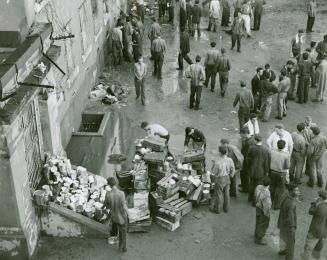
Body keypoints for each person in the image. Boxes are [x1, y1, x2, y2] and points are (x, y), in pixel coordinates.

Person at [246, 134, 271, 205]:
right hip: (261, 171)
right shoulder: (266, 149)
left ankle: (250, 198)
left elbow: (248, 159)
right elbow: (266, 162)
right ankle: (255, 201)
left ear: (255, 140)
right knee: (258, 187)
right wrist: (267, 171)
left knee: (251, 184)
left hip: (252, 169)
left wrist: (248, 167)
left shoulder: (251, 148)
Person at [105, 177, 128, 252]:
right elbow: (124, 207)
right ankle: (122, 247)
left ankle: (114, 238)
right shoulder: (121, 193)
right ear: (116, 183)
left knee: (115, 227)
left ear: (109, 185)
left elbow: (107, 206)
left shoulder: (108, 194)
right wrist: (128, 215)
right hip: (121, 216)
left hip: (114, 216)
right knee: (123, 232)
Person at [210, 146, 235, 214]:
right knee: (227, 194)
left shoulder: (217, 163)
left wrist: (212, 179)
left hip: (219, 179)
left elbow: (214, 173)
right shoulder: (230, 160)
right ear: (226, 152)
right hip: (227, 178)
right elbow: (233, 169)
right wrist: (230, 176)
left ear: (220, 153)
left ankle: (217, 209)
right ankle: (226, 208)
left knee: (218, 194)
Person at [302, 190, 327, 260]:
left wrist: (315, 203)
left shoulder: (320, 207)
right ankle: (316, 258)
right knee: (318, 248)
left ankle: (305, 258)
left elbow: (310, 211)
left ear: (321, 198)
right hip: (324, 232)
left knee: (308, 247)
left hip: (315, 231)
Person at [277, 183, 299, 260]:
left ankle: (283, 250)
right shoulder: (291, 203)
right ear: (291, 191)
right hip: (289, 225)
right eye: (296, 190)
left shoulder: (285, 196)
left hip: (282, 222)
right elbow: (290, 218)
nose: (298, 192)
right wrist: (293, 227)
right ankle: (289, 257)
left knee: (283, 237)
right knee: (291, 242)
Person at [270, 140, 290, 210]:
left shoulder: (272, 152)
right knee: (280, 189)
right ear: (284, 146)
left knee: (272, 187)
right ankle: (276, 205)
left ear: (277, 144)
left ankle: (270, 202)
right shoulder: (286, 155)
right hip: (281, 173)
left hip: (272, 172)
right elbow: (287, 166)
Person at [254, 177, 272, 245]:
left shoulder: (258, 187)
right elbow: (267, 205)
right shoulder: (267, 193)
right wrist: (267, 213)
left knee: (258, 221)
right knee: (263, 224)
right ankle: (259, 238)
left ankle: (256, 233)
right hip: (263, 209)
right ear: (269, 184)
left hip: (258, 207)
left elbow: (255, 194)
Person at [239, 127, 256, 193]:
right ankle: (244, 185)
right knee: (244, 174)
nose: (241, 137)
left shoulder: (249, 143)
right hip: (247, 160)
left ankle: (245, 188)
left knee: (244, 174)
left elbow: (247, 153)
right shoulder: (250, 139)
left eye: (241, 135)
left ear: (245, 134)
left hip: (246, 161)